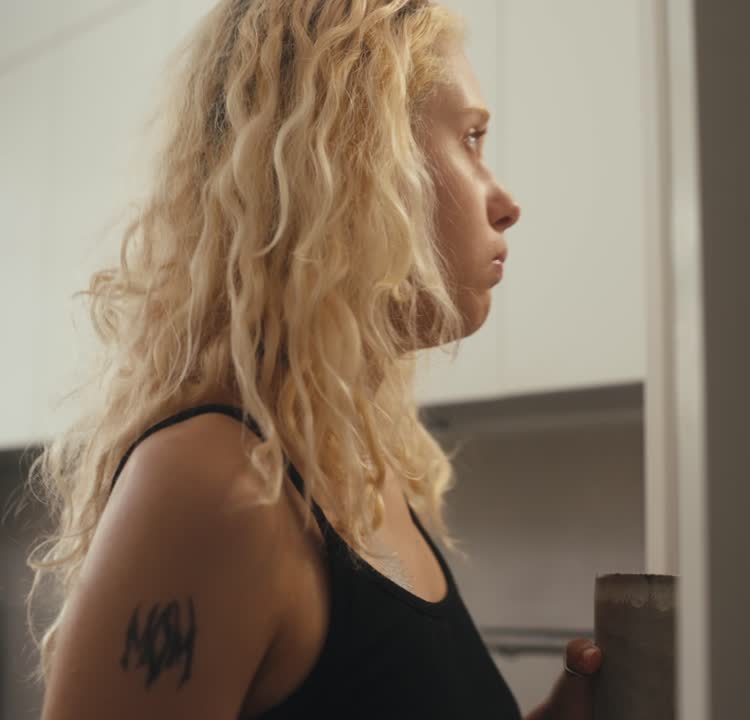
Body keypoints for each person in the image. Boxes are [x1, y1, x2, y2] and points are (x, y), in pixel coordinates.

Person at [29, 1, 603, 717]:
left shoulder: (356, 471)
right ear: (355, 160)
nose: (505, 200)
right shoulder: (219, 482)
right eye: (473, 140)